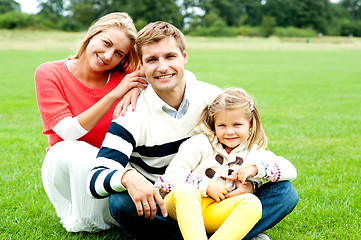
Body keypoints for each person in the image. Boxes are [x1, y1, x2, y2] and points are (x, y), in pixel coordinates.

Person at [87, 21, 299, 240]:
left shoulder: (213, 98)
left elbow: (245, 151)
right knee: (120, 203)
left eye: (170, 56)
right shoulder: (131, 113)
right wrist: (128, 177)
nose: (162, 67)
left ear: (184, 56)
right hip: (166, 205)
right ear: (141, 65)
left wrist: (249, 185)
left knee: (285, 193)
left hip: (221, 197)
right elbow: (94, 179)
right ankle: (236, 234)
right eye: (152, 60)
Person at [34, 12, 148, 232]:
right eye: (106, 43)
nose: (107, 56)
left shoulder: (126, 77)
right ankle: (89, 216)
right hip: (69, 172)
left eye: (118, 53)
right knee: (69, 149)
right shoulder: (49, 73)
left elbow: (168, 71)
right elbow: (67, 132)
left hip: (111, 172)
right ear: (92, 34)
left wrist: (135, 85)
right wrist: (115, 94)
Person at [155, 88, 297, 240]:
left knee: (252, 203)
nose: (229, 132)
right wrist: (207, 186)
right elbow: (173, 174)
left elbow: (290, 170)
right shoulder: (199, 144)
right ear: (213, 124)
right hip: (183, 207)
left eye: (237, 125)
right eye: (222, 125)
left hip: (216, 212)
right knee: (186, 191)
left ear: (250, 124)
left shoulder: (253, 152)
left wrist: (255, 169)